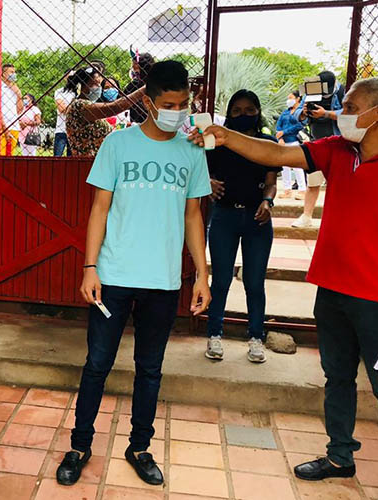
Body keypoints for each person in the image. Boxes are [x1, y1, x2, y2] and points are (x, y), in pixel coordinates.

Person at [189, 77, 378, 500]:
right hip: (332, 289)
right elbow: (275, 153)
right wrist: (226, 135)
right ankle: (340, 456)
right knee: (337, 378)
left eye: (350, 107)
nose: (341, 114)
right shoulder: (337, 150)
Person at [57, 60, 212, 488]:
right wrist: (90, 267)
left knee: (150, 369)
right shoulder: (118, 144)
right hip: (114, 277)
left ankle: (140, 446)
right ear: (148, 101)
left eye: (183, 104)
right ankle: (79, 446)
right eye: (168, 104)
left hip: (163, 281)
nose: (176, 112)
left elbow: (193, 215)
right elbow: (99, 209)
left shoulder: (192, 150)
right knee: (97, 364)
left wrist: (202, 274)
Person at [204, 89, 280, 364]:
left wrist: (268, 201)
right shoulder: (217, 144)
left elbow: (271, 182)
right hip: (224, 217)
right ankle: (214, 334)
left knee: (255, 282)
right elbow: (201, 171)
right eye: (236, 111)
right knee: (221, 280)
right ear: (228, 114)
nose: (243, 115)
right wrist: (208, 182)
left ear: (258, 112)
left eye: (249, 110)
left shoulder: (267, 143)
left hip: (257, 220)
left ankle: (256, 337)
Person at [293, 70, 344, 228]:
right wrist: (304, 113)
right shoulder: (311, 90)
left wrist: (326, 113)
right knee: (313, 182)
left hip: (339, 145)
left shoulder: (343, 92)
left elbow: (349, 114)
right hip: (316, 143)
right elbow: (296, 114)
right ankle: (306, 216)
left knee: (338, 185)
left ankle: (337, 219)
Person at [65, 66, 145, 156]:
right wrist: (144, 89)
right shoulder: (80, 106)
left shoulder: (85, 105)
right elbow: (115, 107)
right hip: (90, 160)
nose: (99, 87)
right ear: (84, 85)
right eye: (96, 83)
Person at [276, 91, 308, 199]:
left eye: (291, 98)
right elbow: (278, 125)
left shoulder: (301, 112)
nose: (288, 100)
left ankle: (302, 190)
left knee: (297, 166)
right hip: (284, 142)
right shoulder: (285, 112)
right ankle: (287, 190)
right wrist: (280, 137)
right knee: (285, 167)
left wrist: (284, 132)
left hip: (295, 140)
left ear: (298, 99)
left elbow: (300, 125)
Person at [123, 52, 155, 125]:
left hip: (138, 121)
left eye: (134, 63)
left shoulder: (135, 84)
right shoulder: (135, 83)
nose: (132, 66)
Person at [0, 63, 23, 155]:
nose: (14, 74)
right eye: (11, 72)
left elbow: (19, 110)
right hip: (2, 127)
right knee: (1, 154)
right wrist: (5, 129)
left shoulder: (15, 88)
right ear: (4, 74)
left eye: (14, 72)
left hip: (14, 126)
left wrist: (19, 94)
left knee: (10, 155)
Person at [54, 70, 75, 157]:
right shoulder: (59, 91)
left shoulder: (79, 92)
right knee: (57, 157)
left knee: (72, 159)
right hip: (61, 129)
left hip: (75, 130)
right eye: (69, 76)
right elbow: (62, 109)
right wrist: (75, 106)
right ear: (64, 78)